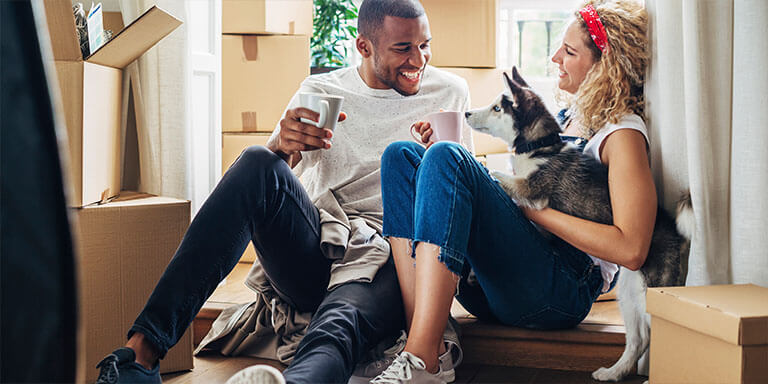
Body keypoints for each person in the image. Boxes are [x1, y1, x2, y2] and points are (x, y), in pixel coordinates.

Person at [94, 1, 473, 383]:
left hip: (391, 256)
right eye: (403, 48)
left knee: (337, 321)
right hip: (320, 246)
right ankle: (140, 355)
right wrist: (281, 143)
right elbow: (276, 170)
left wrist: (432, 164)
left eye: (425, 44)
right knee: (258, 160)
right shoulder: (322, 91)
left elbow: (459, 195)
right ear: (364, 47)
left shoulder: (450, 93)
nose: (418, 59)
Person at [372, 0, 651, 383]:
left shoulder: (622, 134)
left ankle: (422, 359)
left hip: (558, 289)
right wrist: (443, 167)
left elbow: (631, 249)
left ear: (607, 68)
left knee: (447, 157)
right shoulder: (579, 119)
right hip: (500, 285)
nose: (555, 57)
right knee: (401, 156)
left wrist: (532, 210)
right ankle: (424, 345)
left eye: (569, 51)